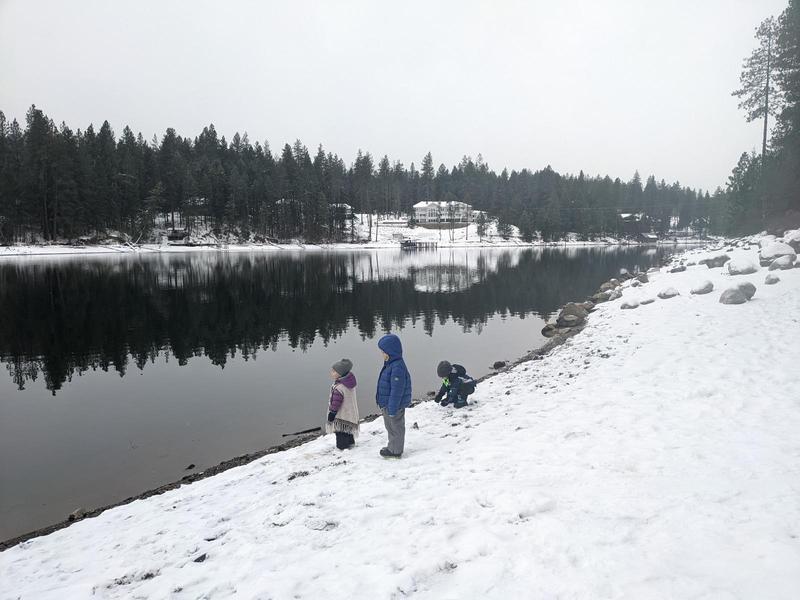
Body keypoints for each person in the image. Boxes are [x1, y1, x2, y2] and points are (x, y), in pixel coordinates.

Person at [376, 333, 412, 458]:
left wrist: (392, 408)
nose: (382, 354)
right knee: (390, 427)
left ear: (390, 352)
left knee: (396, 427)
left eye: (383, 352)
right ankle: (392, 446)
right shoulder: (391, 364)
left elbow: (397, 391)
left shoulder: (397, 367)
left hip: (394, 406)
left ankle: (396, 451)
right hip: (388, 404)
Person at [325, 358, 359, 450]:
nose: (331, 373)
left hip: (341, 416)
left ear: (340, 374)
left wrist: (332, 413)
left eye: (333, 371)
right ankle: (351, 444)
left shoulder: (339, 387)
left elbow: (336, 403)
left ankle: (342, 448)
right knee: (348, 431)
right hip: (350, 415)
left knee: (340, 432)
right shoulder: (349, 384)